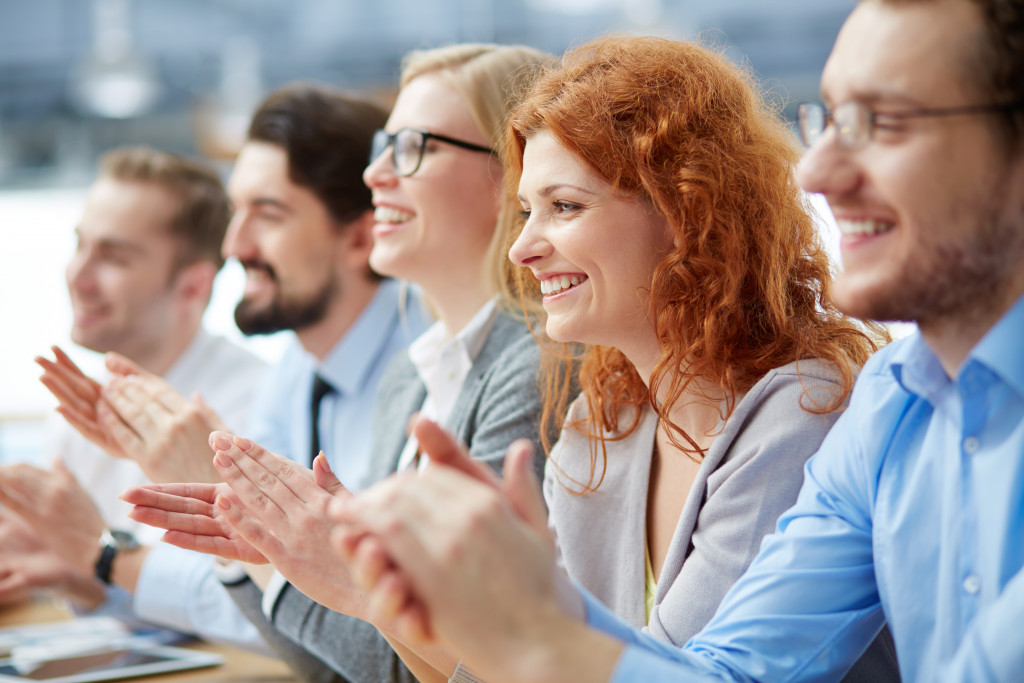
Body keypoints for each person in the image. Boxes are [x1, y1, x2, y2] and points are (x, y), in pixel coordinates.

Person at [329, 0, 1024, 680]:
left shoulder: (813, 407)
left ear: (689, 212)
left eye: (884, 123)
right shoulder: (890, 404)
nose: (816, 171)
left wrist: (528, 622)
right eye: (832, 120)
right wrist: (524, 611)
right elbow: (732, 671)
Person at [123, 45, 556, 683]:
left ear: (514, 173)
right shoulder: (413, 377)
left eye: (414, 146)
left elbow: (403, 665)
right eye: (384, 145)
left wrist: (288, 557)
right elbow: (345, 664)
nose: (376, 173)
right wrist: (265, 554)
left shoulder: (534, 369)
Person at [0, 147, 268, 646]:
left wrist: (94, 556)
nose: (78, 277)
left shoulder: (257, 412)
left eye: (114, 257)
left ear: (193, 286)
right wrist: (54, 572)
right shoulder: (79, 405)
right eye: (80, 246)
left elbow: (247, 615)